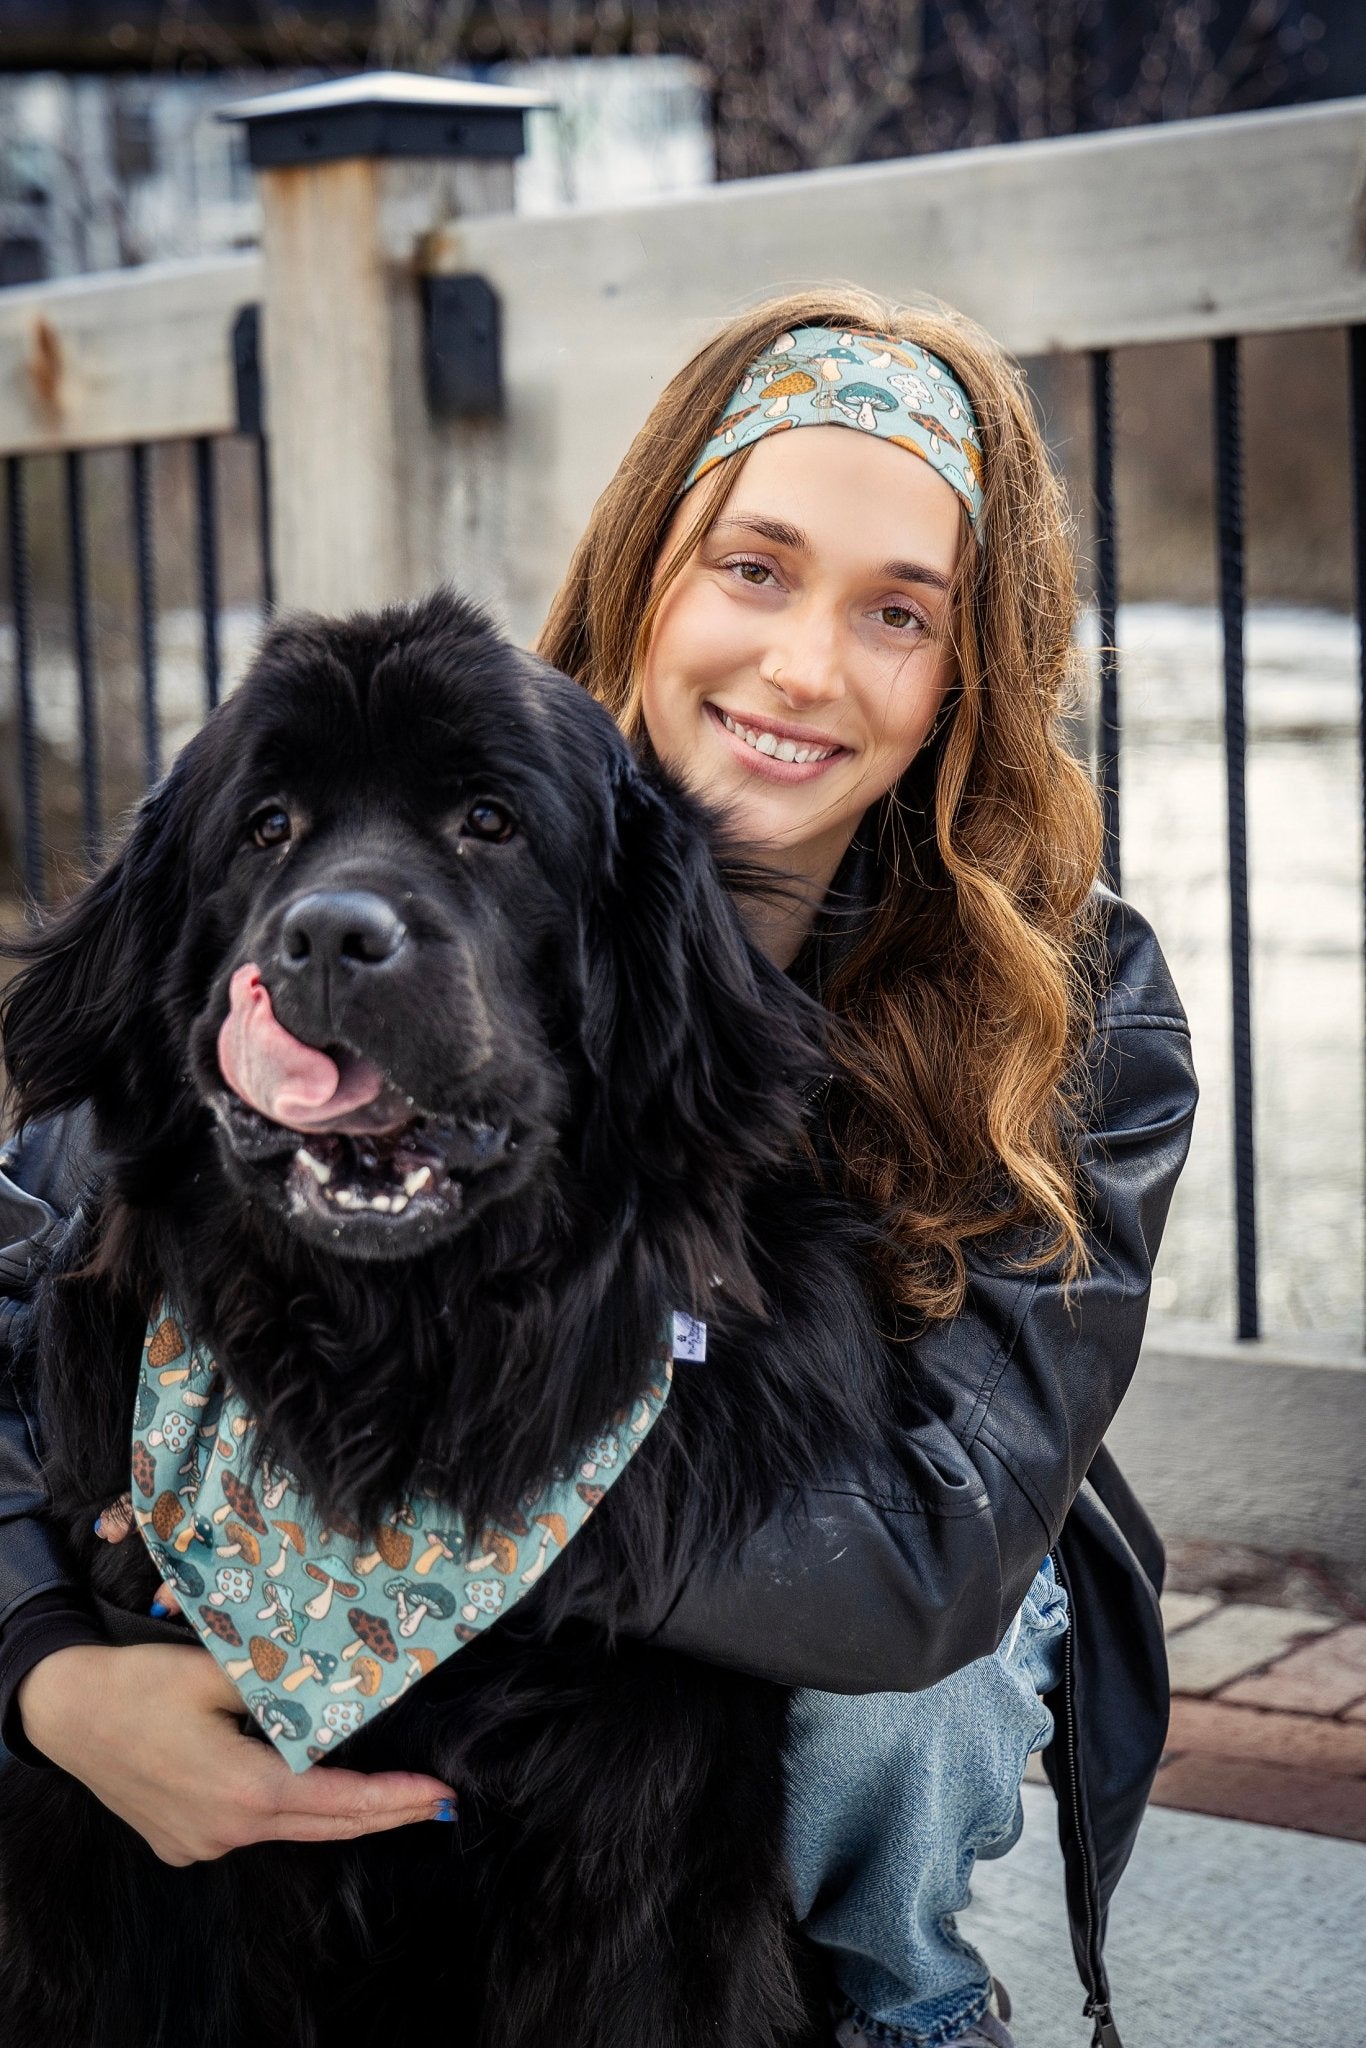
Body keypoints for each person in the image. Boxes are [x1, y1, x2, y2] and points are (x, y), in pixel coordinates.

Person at [0, 289, 1195, 2048]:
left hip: (836, 1584)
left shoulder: (1078, 1000)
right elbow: (33, 1244)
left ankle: (887, 2002)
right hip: (432, 1604)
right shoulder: (470, 774)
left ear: (967, 673)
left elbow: (924, 1554)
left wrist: (386, 1475)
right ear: (649, 575)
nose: (801, 665)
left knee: (894, 1705)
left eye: (895, 613)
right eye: (754, 569)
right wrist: (47, 1669)